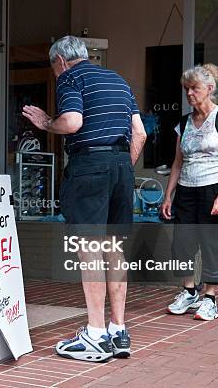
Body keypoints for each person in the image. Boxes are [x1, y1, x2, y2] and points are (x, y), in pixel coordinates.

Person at [22, 36, 146, 362]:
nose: (55, 73)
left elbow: (73, 122)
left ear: (60, 61)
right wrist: (118, 170)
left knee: (90, 249)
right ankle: (118, 330)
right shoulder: (118, 80)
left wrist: (47, 122)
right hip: (121, 166)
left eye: (53, 68)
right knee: (114, 249)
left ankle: (94, 334)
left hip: (90, 164)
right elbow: (141, 133)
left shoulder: (70, 77)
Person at [160, 63, 218, 321]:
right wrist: (168, 194)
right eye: (187, 90)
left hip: (215, 187)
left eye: (194, 89)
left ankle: (210, 298)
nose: (190, 94)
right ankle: (189, 291)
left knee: (212, 244)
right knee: (182, 243)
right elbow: (177, 163)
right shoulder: (183, 124)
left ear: (209, 88)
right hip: (186, 190)